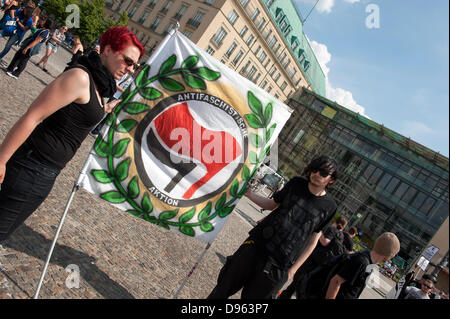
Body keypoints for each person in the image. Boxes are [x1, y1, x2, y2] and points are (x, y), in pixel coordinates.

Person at [0, 26, 144, 243]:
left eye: (134, 65)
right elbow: (33, 116)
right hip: (30, 166)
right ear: (106, 50)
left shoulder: (97, 83)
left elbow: (77, 113)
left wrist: (105, 109)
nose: (130, 69)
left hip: (46, 173)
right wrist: (2, 159)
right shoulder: (80, 76)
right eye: (128, 61)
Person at [207, 155, 339, 299]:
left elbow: (313, 241)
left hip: (280, 264)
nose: (316, 174)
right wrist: (249, 194)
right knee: (222, 289)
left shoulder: (330, 207)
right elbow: (271, 204)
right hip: (256, 246)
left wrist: (292, 271)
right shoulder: (296, 183)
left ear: (331, 180)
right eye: (314, 169)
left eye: (323, 173)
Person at [297, 232, 400, 299]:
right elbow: (335, 282)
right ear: (388, 254)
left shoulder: (367, 261)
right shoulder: (361, 262)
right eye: (393, 254)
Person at [279, 215, 348, 299]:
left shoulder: (331, 229)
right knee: (302, 285)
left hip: (312, 259)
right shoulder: (341, 236)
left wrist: (320, 234)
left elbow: (325, 242)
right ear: (343, 227)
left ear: (335, 221)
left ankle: (283, 297)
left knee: (297, 283)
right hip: (321, 263)